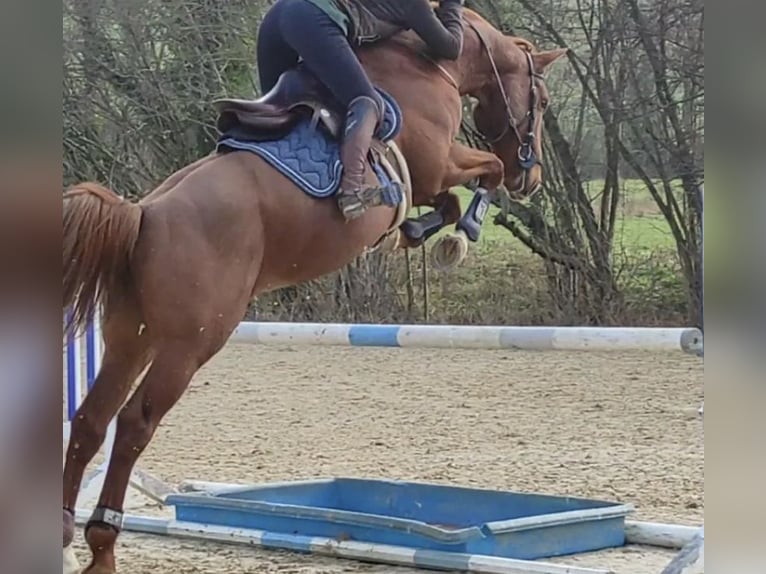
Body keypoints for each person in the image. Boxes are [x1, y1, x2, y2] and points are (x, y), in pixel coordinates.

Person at [256, 0, 466, 220]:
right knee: (366, 100)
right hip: (312, 17)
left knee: (275, 112)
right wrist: (453, 6)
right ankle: (352, 191)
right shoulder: (413, 5)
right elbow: (451, 48)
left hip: (278, 16)